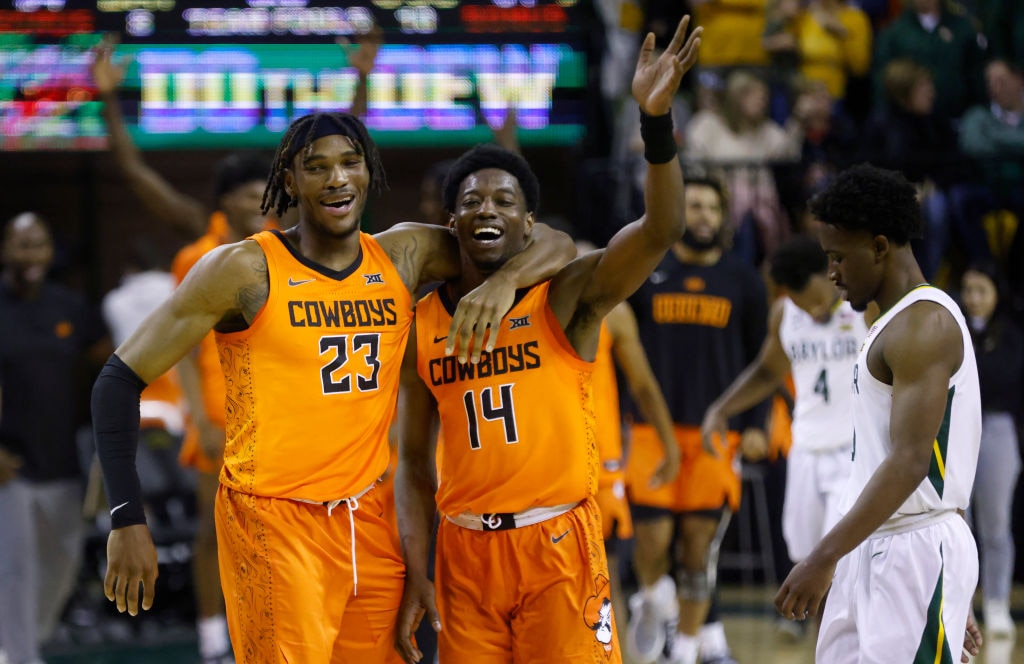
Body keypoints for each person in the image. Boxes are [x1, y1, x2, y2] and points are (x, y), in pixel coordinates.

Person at [90, 110, 576, 664]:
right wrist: (126, 517)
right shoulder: (244, 269)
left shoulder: (404, 255)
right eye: (316, 167)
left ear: (368, 172)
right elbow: (118, 380)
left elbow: (551, 242)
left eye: (350, 162)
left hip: (366, 519)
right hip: (274, 522)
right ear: (290, 181)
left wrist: (507, 280)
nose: (337, 178)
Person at [393, 16, 701, 664]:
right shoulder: (420, 324)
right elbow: (414, 464)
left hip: (556, 540)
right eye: (471, 201)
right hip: (463, 551)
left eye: (505, 201)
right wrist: (417, 565)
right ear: (450, 221)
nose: (487, 209)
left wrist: (655, 124)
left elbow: (660, 229)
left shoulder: (565, 296)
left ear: (529, 223)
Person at [91, 43, 276, 664]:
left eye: (264, 195)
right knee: (211, 529)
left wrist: (359, 85)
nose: (257, 204)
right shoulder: (201, 247)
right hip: (218, 413)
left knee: (273, 536)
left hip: (278, 413)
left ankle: (262, 630)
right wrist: (109, 100)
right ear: (223, 202)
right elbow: (137, 176)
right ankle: (210, 636)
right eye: (246, 195)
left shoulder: (284, 247)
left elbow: (339, 163)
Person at [774, 164, 984, 663]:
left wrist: (823, 555)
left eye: (838, 257)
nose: (831, 273)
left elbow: (911, 463)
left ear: (880, 247)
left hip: (915, 549)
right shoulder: (890, 322)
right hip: (875, 544)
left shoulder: (925, 325)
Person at [623, 170, 769, 664]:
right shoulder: (647, 272)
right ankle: (653, 601)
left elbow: (762, 362)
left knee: (698, 548)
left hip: (714, 435)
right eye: (695, 206)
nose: (703, 215)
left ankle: (684, 651)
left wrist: (757, 424)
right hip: (651, 430)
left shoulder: (743, 280)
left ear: (723, 217)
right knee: (652, 542)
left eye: (712, 207)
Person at [701, 234, 871, 637]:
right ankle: (822, 640)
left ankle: (842, 647)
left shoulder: (863, 309)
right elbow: (766, 372)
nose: (812, 309)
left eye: (815, 298)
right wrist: (720, 410)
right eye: (800, 301)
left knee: (837, 561)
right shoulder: (784, 314)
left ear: (829, 275)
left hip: (853, 453)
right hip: (806, 451)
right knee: (804, 556)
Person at [0, 213, 110, 664]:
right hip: (10, 466)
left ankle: (21, 645)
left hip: (64, 461)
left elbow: (109, 369)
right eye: (22, 244)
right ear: (4, 250)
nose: (32, 254)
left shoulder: (71, 308)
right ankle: (21, 655)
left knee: (62, 566)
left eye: (39, 244)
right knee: (15, 571)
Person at [959, 262, 1022, 639]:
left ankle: (997, 602)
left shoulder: (1011, 334)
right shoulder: (954, 329)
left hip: (997, 428)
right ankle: (961, 604)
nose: (974, 298)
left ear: (997, 293)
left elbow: (1003, 379)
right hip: (958, 428)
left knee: (996, 524)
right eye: (968, 290)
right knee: (957, 524)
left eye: (982, 290)